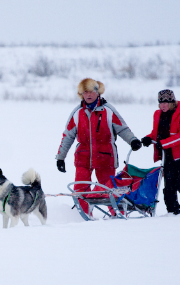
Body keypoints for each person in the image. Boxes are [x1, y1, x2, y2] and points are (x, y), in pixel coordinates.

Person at [56, 78, 142, 216]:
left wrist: (132, 140)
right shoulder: (77, 113)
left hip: (105, 157)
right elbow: (68, 136)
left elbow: (122, 129)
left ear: (98, 92)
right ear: (81, 94)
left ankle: (117, 215)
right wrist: (60, 158)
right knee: (80, 189)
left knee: (108, 189)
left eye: (91, 91)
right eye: (85, 92)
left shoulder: (108, 110)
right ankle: (83, 216)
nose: (88, 95)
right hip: (83, 157)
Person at [141, 89, 180, 215]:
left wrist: (163, 143)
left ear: (172, 102)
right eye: (160, 102)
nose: (163, 105)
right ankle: (172, 213)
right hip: (168, 155)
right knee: (169, 187)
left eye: (166, 102)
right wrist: (149, 138)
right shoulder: (157, 114)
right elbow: (157, 133)